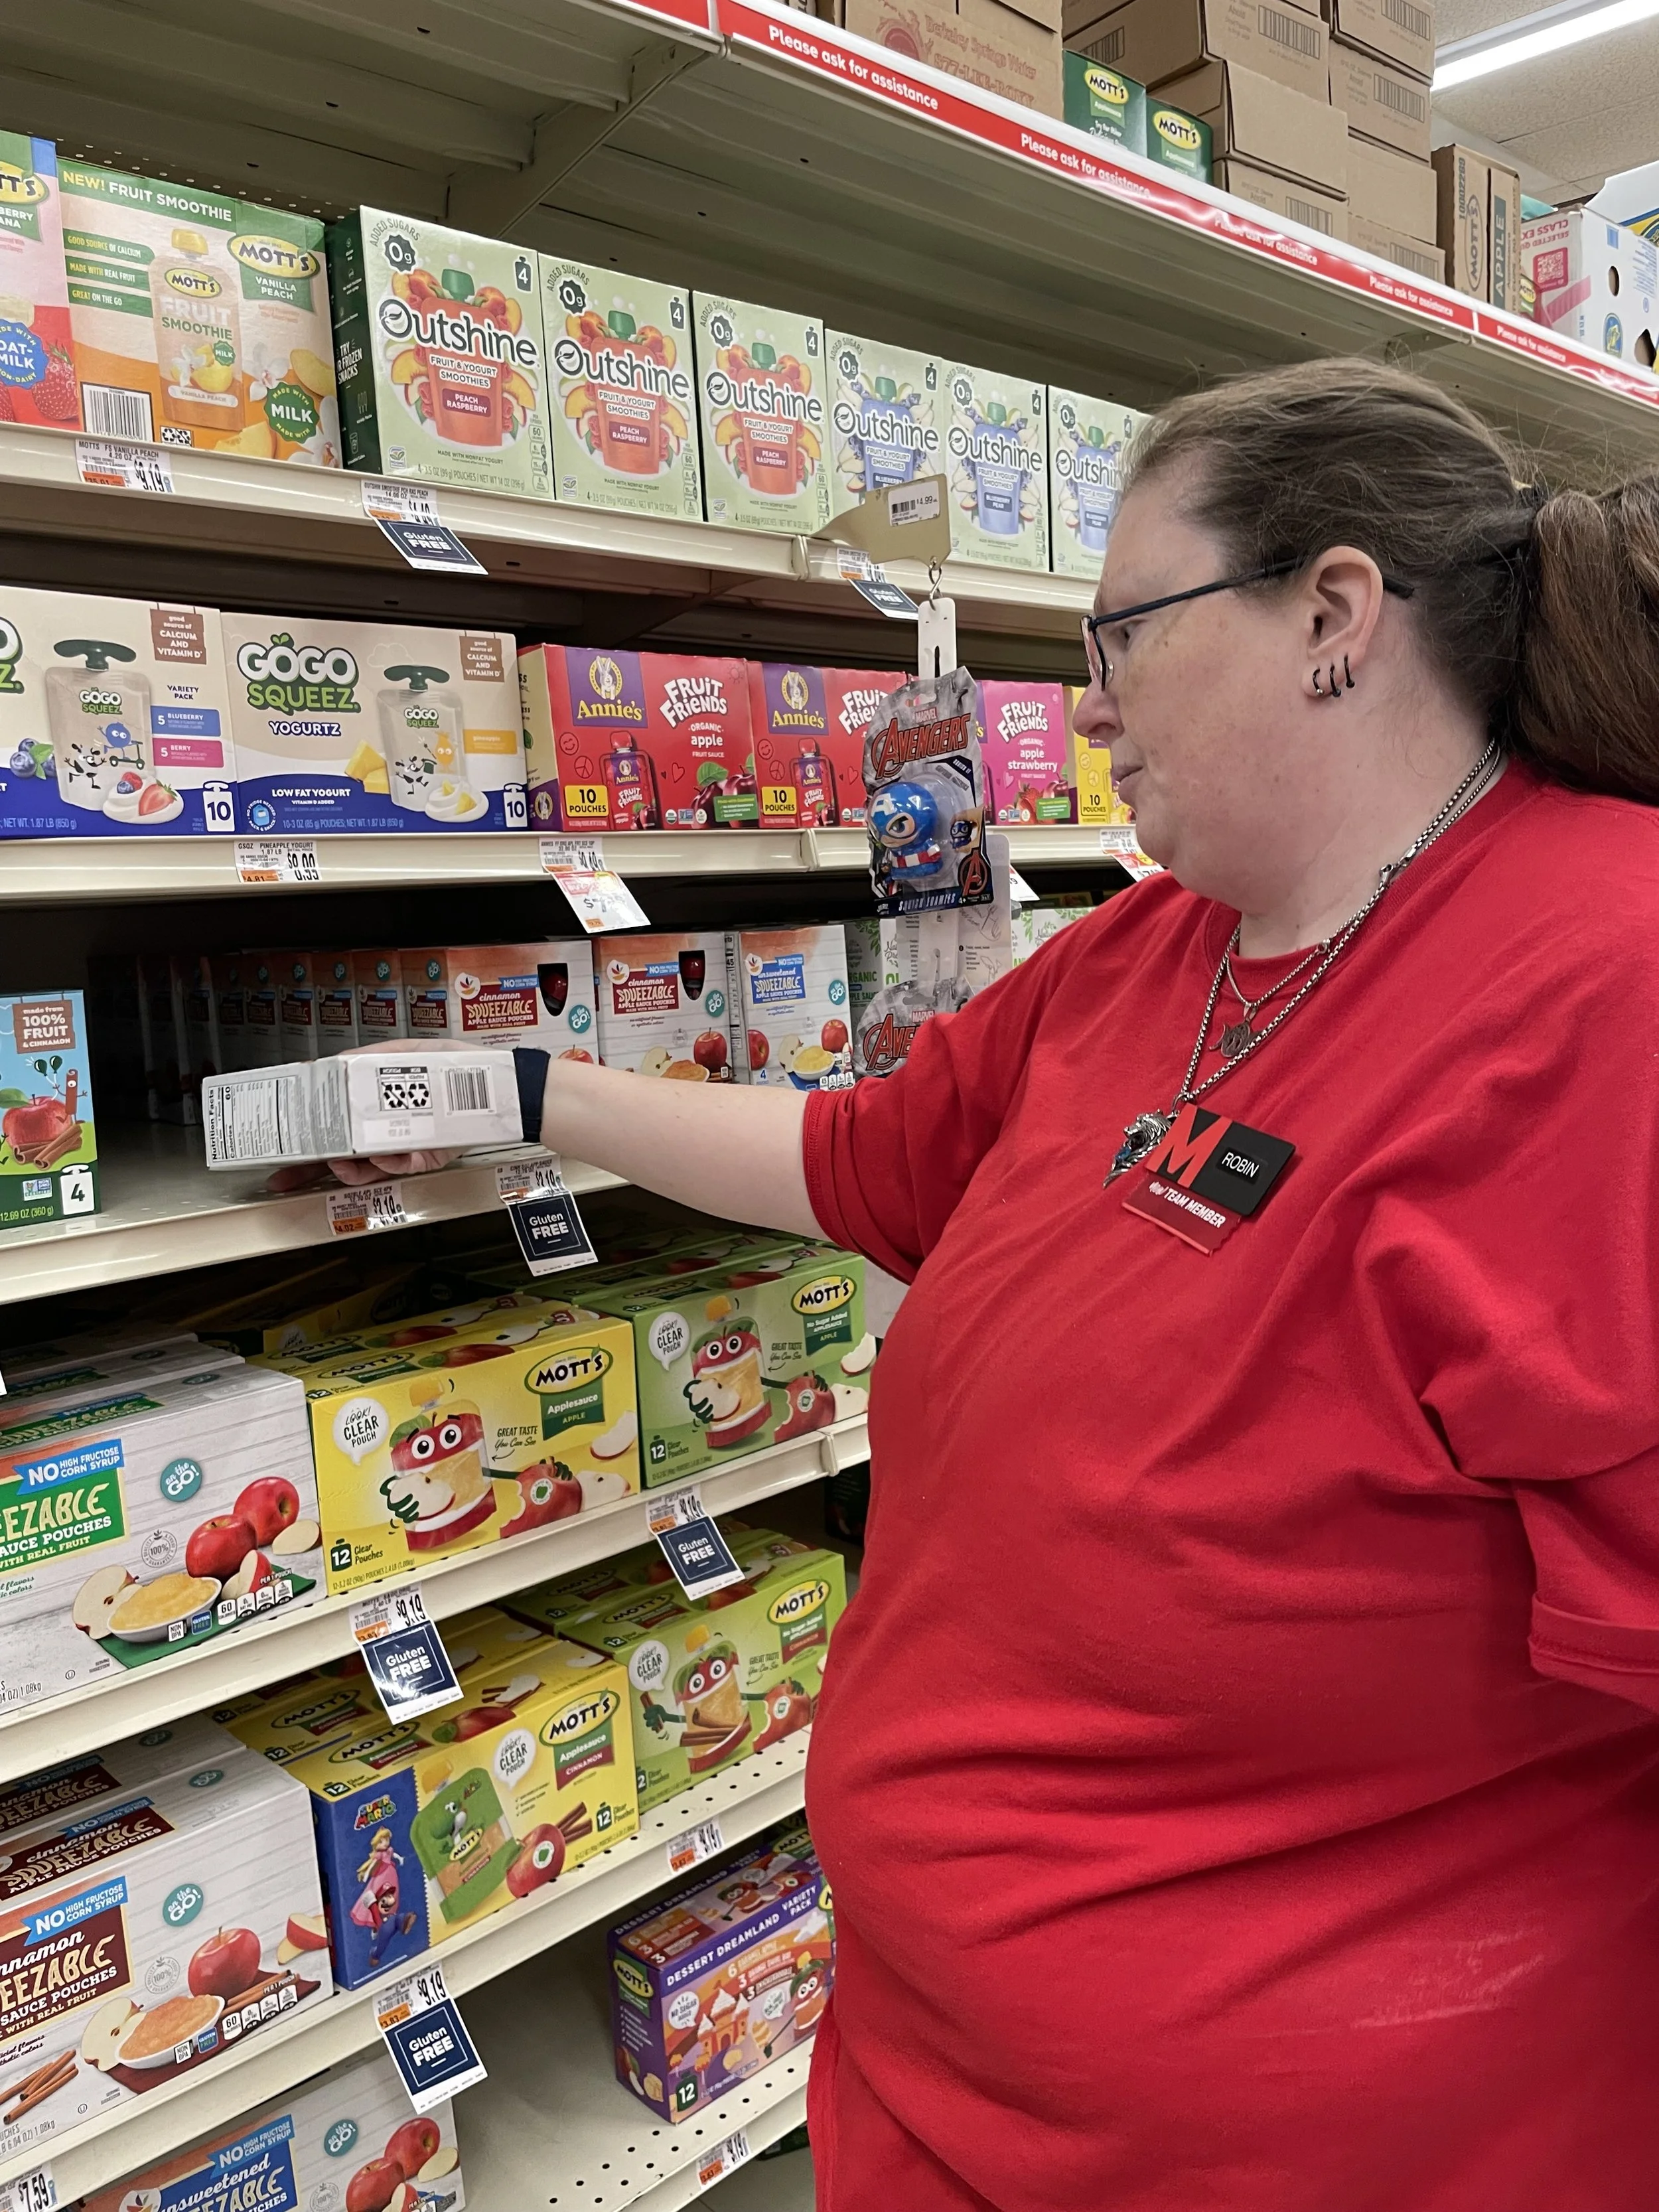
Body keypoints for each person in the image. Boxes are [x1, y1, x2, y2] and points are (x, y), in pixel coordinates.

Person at [329, 360, 1659, 2210]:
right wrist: (516, 1087)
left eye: (1119, 634)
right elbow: (859, 1159)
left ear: (1332, 616)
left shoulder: (1610, 977)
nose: (1086, 707)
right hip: (939, 2087)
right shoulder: (1147, 952)